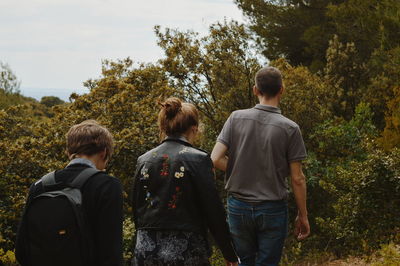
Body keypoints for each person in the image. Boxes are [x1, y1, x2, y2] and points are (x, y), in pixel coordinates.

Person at [211, 66, 310, 266]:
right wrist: (303, 215)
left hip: (238, 206)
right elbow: (297, 178)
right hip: (272, 208)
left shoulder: (235, 118)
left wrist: (239, 168)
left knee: (244, 262)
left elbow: (214, 159)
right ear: (282, 90)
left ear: (256, 90)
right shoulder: (290, 129)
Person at [132, 97, 238, 266]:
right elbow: (213, 211)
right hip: (186, 248)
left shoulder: (143, 160)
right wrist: (229, 252)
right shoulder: (199, 159)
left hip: (146, 247)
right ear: (194, 129)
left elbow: (137, 207)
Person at [16, 120, 123, 266]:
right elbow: (111, 252)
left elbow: (21, 249)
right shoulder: (107, 185)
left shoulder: (39, 185)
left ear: (68, 152)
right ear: (104, 152)